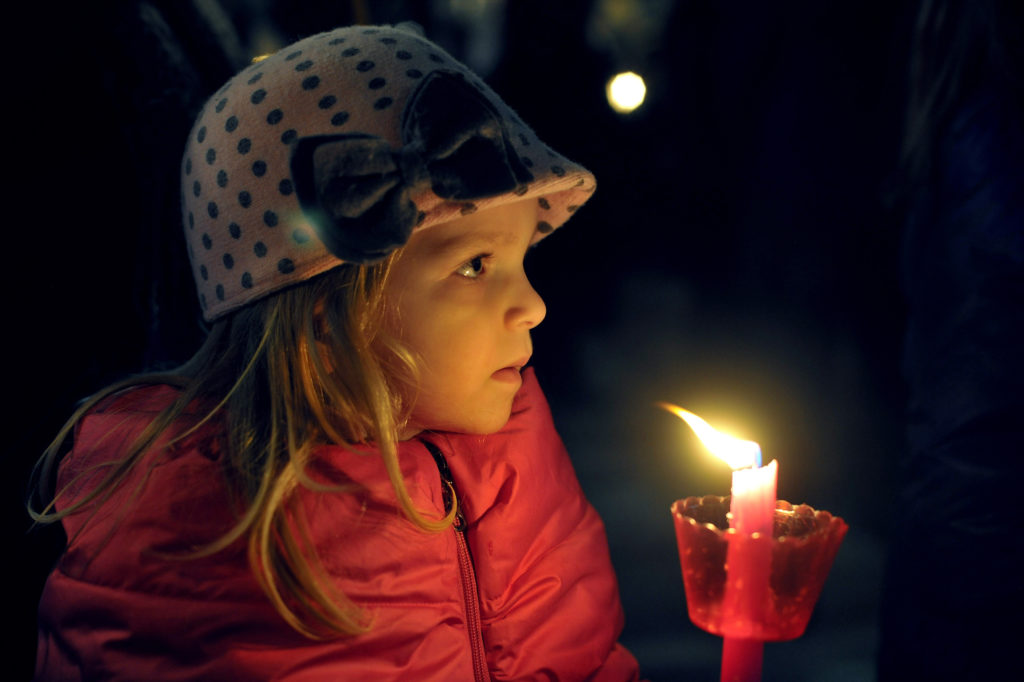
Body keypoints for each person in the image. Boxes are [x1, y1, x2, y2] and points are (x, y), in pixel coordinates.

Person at [30, 23, 641, 681]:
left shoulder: (519, 458)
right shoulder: (192, 540)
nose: (534, 306)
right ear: (325, 319)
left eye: (524, 259)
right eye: (475, 265)